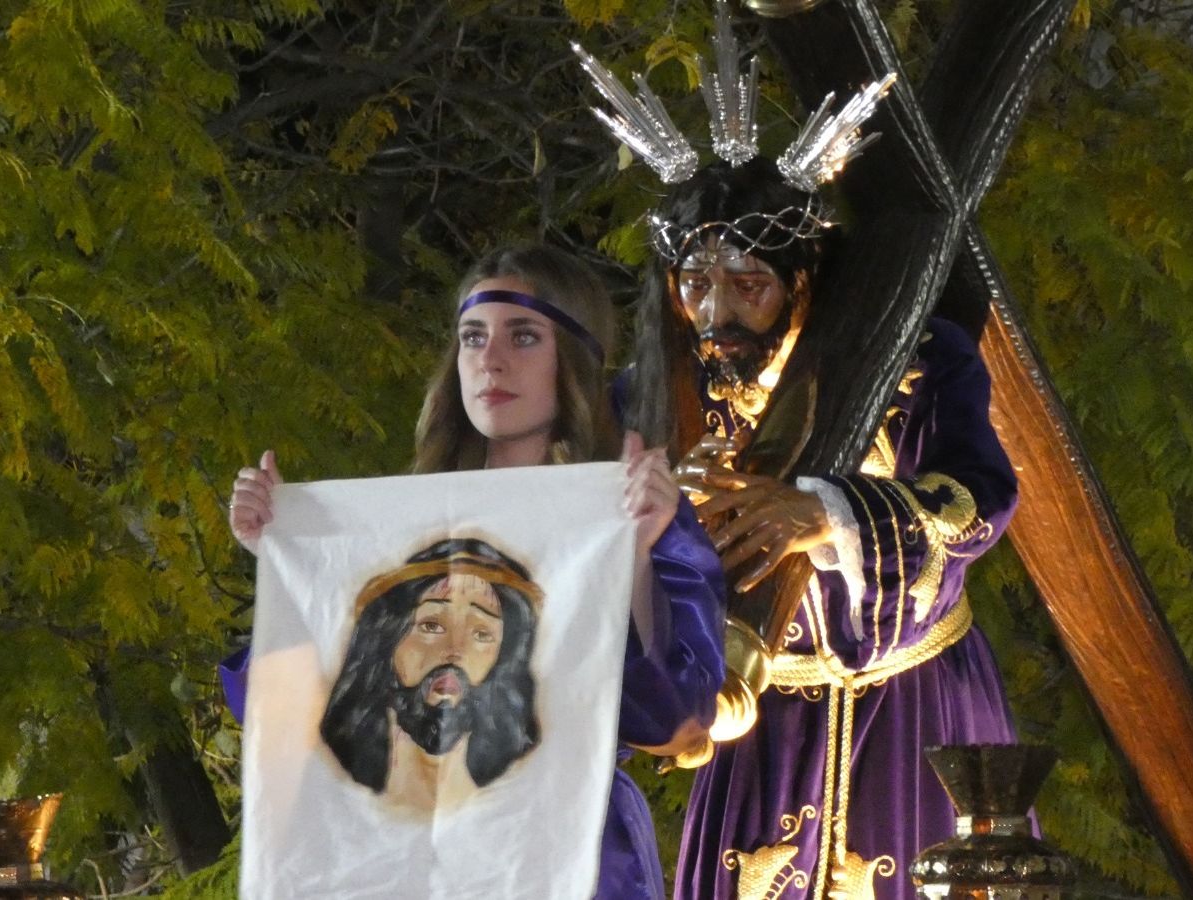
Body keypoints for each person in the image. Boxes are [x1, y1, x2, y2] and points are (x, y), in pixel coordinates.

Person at [223, 243, 726, 899]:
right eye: (472, 338)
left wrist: (633, 556)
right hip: (405, 859)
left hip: (568, 852)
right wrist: (288, 569)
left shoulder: (635, 505)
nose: (490, 360)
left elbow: (676, 718)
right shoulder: (403, 524)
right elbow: (294, 714)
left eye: (522, 337)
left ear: (572, 359)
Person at [630, 158, 1021, 899]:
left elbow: (981, 499)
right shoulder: (654, 394)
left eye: (747, 286)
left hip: (910, 708)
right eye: (695, 286)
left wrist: (827, 515)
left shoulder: (921, 363)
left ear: (802, 278)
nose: (716, 316)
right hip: (753, 726)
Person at [319, 537, 542, 813]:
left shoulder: (524, 806)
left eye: (482, 634)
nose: (454, 651)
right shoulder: (324, 791)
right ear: (388, 639)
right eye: (432, 625)